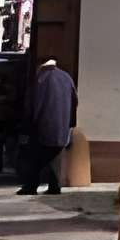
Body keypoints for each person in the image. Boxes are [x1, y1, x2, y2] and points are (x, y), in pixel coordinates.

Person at [16, 50, 76, 195]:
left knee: (35, 157)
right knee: (56, 158)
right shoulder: (67, 77)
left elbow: (33, 104)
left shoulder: (41, 78)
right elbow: (74, 102)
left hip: (44, 125)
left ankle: (31, 186)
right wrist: (70, 124)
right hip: (62, 126)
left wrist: (28, 124)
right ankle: (55, 186)